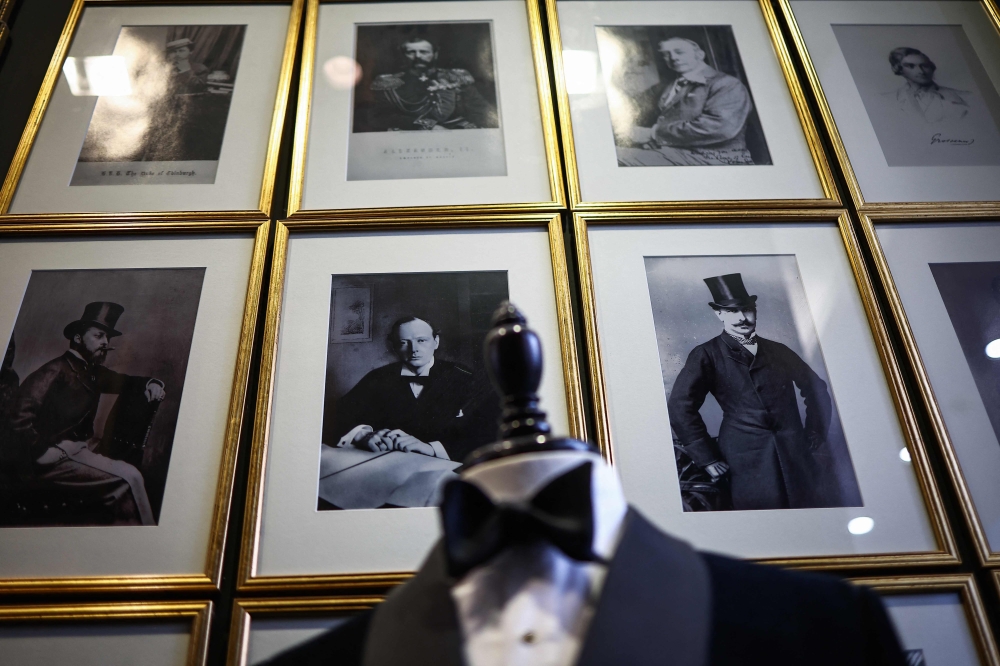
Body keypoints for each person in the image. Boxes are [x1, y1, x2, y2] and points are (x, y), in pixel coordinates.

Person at [667, 274, 840, 510]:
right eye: (731, 311)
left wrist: (815, 432)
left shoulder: (778, 350)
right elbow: (680, 407)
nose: (741, 318)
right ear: (718, 313)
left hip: (795, 455)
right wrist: (708, 458)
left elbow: (816, 388)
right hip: (743, 458)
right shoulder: (706, 354)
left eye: (747, 309)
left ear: (755, 310)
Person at [3, 302, 165, 525]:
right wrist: (42, 452)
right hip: (45, 461)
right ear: (78, 338)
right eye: (99, 336)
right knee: (127, 480)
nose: (106, 343)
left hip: (77, 450)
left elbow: (126, 382)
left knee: (133, 475)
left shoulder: (93, 372)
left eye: (107, 338)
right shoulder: (54, 371)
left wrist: (152, 382)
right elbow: (16, 419)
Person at [328, 315, 497, 463]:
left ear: (436, 342)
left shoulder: (465, 377)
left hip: (446, 468)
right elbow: (337, 415)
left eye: (421, 341)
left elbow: (488, 430)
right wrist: (362, 435)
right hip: (387, 466)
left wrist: (432, 449)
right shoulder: (378, 377)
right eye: (403, 343)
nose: (414, 349)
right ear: (394, 347)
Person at [616, 37, 756, 166]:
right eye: (666, 54)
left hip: (714, 159)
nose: (673, 58)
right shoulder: (668, 86)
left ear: (699, 55)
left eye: (679, 52)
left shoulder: (727, 84)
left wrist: (653, 134)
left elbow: (719, 128)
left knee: (618, 157)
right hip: (674, 152)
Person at [365, 37, 495, 131]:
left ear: (435, 54)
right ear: (403, 56)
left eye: (424, 52)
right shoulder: (389, 83)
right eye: (411, 52)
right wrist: (425, 125)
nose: (418, 56)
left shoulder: (456, 77)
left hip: (457, 134)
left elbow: (480, 109)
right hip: (411, 135)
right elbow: (379, 116)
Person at [884, 47, 970, 125]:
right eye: (911, 66)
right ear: (898, 69)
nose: (921, 71)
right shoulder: (887, 100)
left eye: (925, 66)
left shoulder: (964, 97)